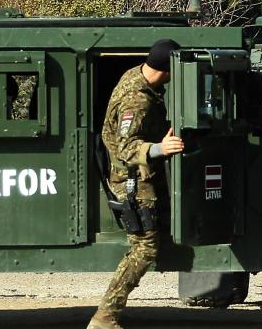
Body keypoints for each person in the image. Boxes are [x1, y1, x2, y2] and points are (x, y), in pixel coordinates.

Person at [88, 39, 185, 329]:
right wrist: (161, 149)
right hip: (132, 181)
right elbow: (127, 147)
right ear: (167, 70)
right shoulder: (137, 99)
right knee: (145, 249)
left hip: (141, 176)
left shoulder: (137, 76)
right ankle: (105, 316)